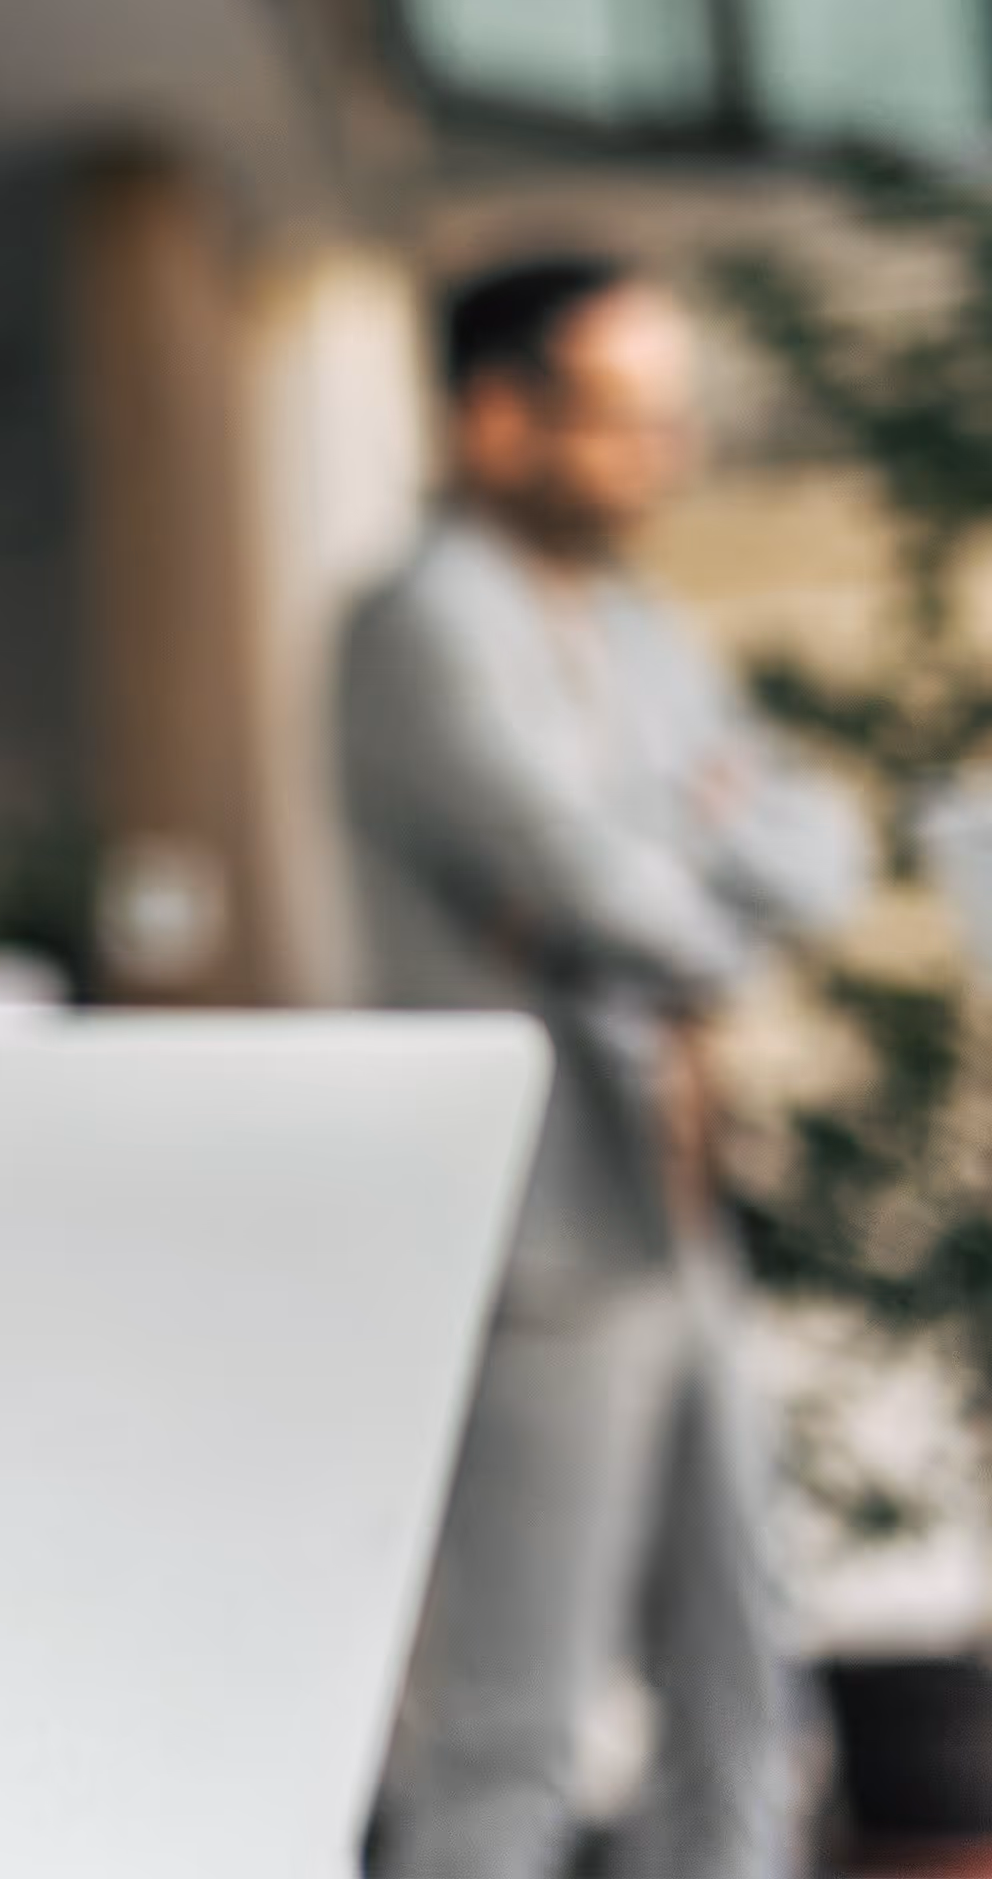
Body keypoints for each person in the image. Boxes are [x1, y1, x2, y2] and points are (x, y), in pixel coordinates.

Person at [346, 255, 866, 1878]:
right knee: (522, 1727)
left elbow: (820, 844)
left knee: (748, 1697)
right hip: (557, 1245)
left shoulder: (636, 629)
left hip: (683, 1215)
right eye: (627, 416)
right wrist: (691, 860)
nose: (670, 454)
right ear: (494, 418)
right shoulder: (423, 625)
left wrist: (688, 870)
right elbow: (602, 888)